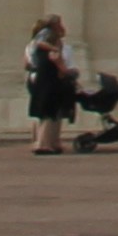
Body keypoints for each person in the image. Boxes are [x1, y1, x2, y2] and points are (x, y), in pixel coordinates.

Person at [23, 16, 75, 155]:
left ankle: (42, 142)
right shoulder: (50, 43)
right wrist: (67, 71)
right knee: (50, 113)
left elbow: (26, 64)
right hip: (51, 81)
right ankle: (45, 144)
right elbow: (59, 63)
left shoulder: (33, 46)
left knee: (43, 113)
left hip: (39, 79)